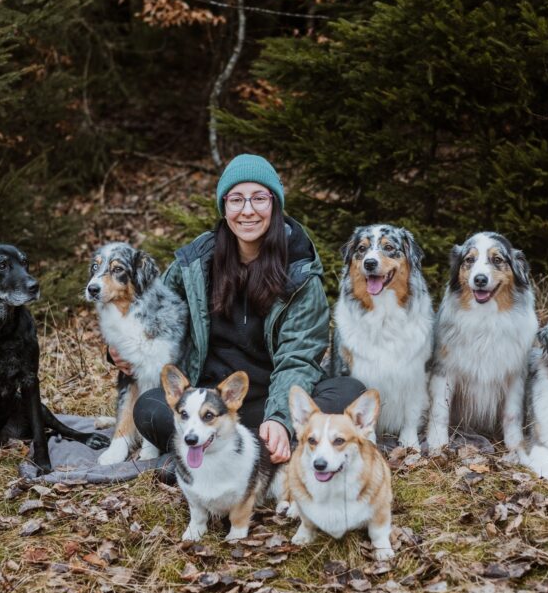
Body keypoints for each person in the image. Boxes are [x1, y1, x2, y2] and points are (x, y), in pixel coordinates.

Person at [116, 153, 364, 464]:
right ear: (224, 207)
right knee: (149, 407)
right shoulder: (197, 262)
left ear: (274, 204)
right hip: (208, 408)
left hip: (268, 402)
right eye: (236, 200)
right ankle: (250, 458)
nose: (247, 211)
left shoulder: (300, 272)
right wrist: (119, 348)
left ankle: (210, 458)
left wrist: (280, 418)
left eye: (259, 198)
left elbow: (298, 358)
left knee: (348, 390)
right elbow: (152, 312)